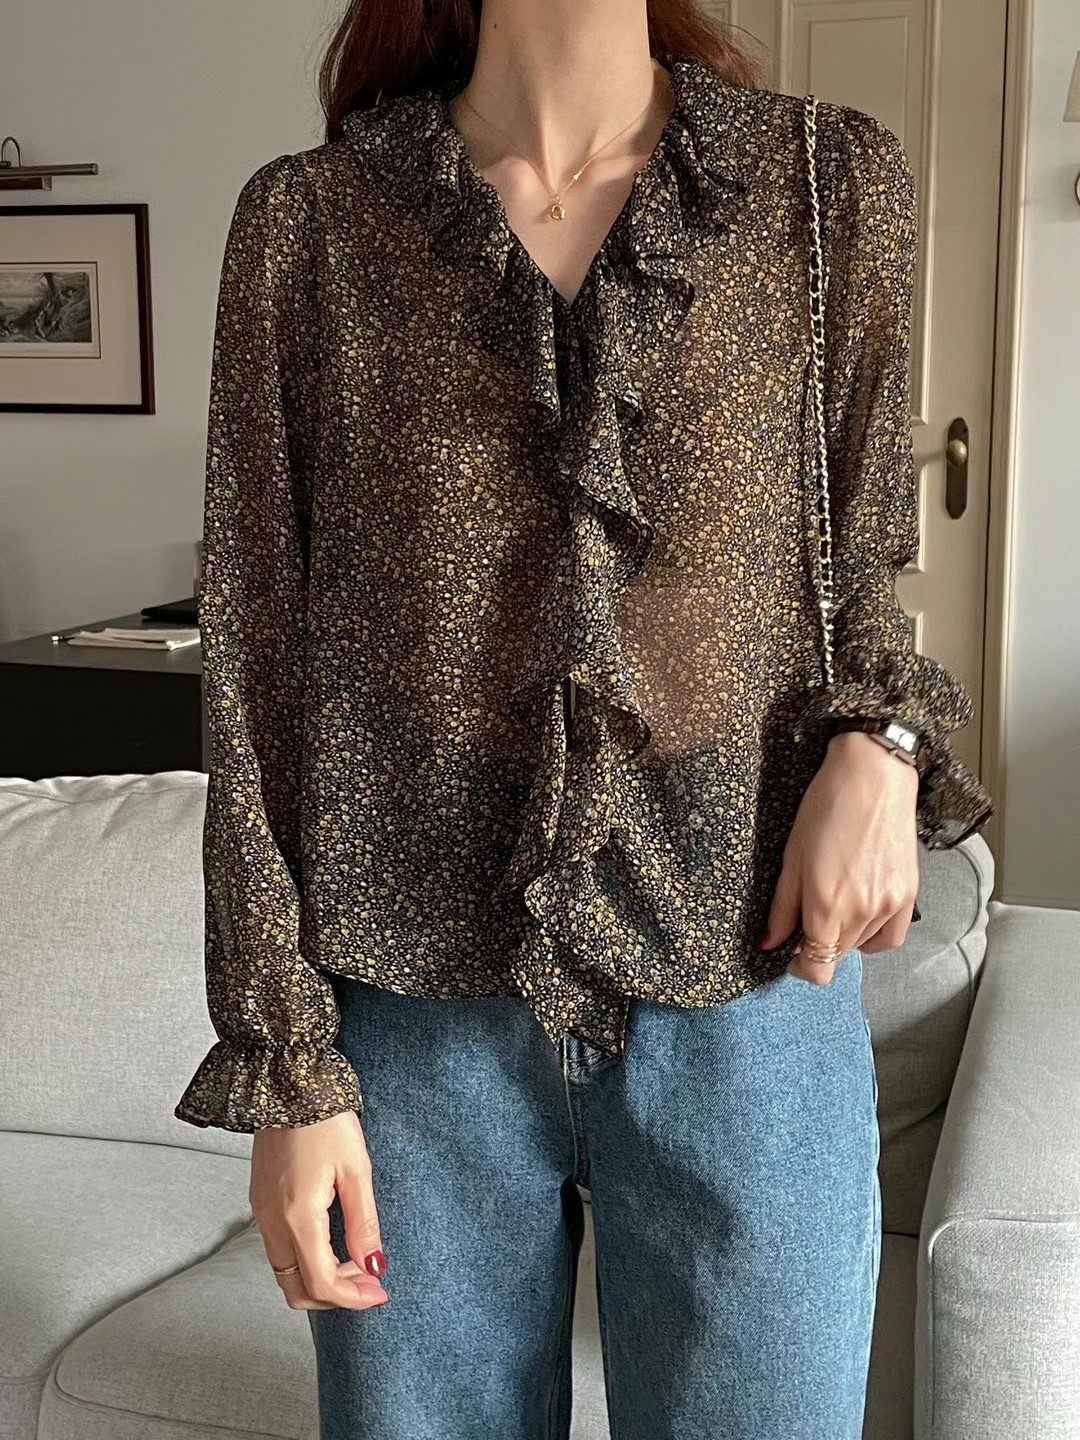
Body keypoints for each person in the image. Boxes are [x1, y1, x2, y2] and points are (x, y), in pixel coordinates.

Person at [175, 1, 993, 1435]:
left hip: (748, 991)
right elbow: (255, 662)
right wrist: (287, 1069)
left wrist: (886, 745)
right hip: (412, 1014)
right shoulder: (311, 226)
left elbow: (860, 566)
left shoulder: (823, 184)